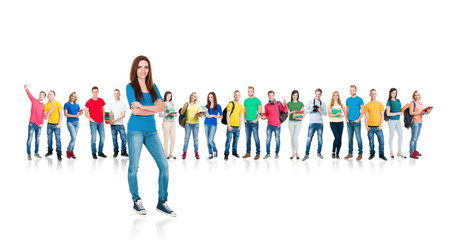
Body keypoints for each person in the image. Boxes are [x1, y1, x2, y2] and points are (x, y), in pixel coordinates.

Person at [126, 55, 176, 216]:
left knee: (164, 166)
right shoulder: (130, 87)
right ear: (135, 69)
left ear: (149, 69)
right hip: (135, 130)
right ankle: (136, 200)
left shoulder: (153, 86)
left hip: (151, 131)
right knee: (134, 168)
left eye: (146, 67)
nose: (143, 70)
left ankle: (162, 202)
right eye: (139, 67)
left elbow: (163, 108)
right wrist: (151, 107)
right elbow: (135, 111)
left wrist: (143, 105)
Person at [302, 88, 327, 161]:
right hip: (311, 123)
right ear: (314, 94)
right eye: (316, 94)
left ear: (321, 95)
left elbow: (325, 114)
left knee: (320, 139)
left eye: (319, 94)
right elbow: (305, 111)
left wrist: (320, 110)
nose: (318, 95)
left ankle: (319, 153)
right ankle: (306, 154)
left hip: (320, 123)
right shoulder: (310, 102)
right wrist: (311, 109)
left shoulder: (323, 103)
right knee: (309, 139)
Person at [262, 90, 288, 159]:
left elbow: (285, 110)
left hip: (277, 125)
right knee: (268, 140)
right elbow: (267, 115)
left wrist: (285, 102)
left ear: (274, 96)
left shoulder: (278, 103)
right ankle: (268, 154)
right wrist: (263, 117)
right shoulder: (266, 106)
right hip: (269, 125)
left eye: (272, 95)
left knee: (277, 140)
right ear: (268, 96)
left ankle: (277, 153)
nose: (271, 97)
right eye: (269, 95)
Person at [364, 89, 387, 160]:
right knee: (371, 142)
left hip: (378, 127)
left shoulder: (380, 104)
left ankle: (381, 154)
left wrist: (381, 125)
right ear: (370, 95)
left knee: (382, 141)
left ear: (376, 94)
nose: (373, 95)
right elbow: (365, 117)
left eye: (374, 94)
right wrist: (366, 127)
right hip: (370, 127)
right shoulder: (367, 105)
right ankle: (372, 153)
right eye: (372, 94)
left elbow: (382, 115)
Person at [24, 84, 46, 160]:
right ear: (39, 95)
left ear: (44, 97)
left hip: (39, 125)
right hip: (32, 123)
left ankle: (36, 153)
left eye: (42, 95)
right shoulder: (34, 100)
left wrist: (42, 123)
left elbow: (43, 115)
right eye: (40, 94)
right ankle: (29, 154)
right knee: (30, 138)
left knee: (38, 139)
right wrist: (26, 89)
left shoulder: (44, 106)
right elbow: (29, 94)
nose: (41, 96)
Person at [85, 86, 107, 159]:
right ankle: (94, 153)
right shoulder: (89, 102)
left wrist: (105, 119)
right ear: (92, 92)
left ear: (98, 92)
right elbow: (86, 113)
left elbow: (104, 110)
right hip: (93, 123)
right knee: (94, 138)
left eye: (96, 91)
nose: (95, 93)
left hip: (101, 122)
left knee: (102, 138)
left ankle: (100, 152)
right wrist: (91, 119)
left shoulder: (101, 100)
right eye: (93, 91)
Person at [409, 90, 431, 159]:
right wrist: (420, 113)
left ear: (419, 96)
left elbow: (422, 113)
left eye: (418, 95)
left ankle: (414, 151)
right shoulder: (412, 103)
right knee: (413, 138)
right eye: (415, 95)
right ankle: (411, 152)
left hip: (420, 122)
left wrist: (427, 112)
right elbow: (411, 113)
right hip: (415, 122)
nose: (417, 96)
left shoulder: (421, 104)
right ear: (413, 96)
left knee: (416, 138)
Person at [344, 85, 365, 160]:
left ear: (356, 91)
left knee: (358, 138)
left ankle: (360, 154)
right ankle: (350, 153)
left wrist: (358, 119)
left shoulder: (359, 99)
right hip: (349, 122)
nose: (351, 91)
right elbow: (346, 110)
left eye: (353, 90)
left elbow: (363, 111)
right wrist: (346, 118)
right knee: (350, 138)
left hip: (356, 122)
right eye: (350, 90)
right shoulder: (348, 100)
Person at [385, 88, 406, 159]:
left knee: (401, 136)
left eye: (395, 93)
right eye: (392, 93)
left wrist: (403, 111)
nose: (394, 94)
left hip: (398, 121)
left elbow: (399, 110)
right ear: (390, 93)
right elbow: (388, 113)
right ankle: (391, 151)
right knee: (391, 136)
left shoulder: (398, 100)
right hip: (392, 121)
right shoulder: (389, 102)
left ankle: (399, 152)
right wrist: (398, 113)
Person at [243, 86, 262, 160]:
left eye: (251, 91)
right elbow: (244, 111)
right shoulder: (246, 100)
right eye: (248, 91)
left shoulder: (257, 100)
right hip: (247, 122)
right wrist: (244, 119)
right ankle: (248, 153)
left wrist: (256, 119)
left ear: (254, 92)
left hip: (254, 123)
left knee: (256, 138)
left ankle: (258, 153)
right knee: (248, 138)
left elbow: (260, 112)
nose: (249, 92)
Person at [224, 90, 244, 160]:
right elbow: (227, 115)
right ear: (233, 96)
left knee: (236, 141)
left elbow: (240, 116)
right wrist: (229, 126)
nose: (237, 96)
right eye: (235, 95)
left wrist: (240, 126)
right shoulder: (231, 104)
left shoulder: (241, 106)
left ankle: (234, 152)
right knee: (228, 141)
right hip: (231, 126)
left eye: (238, 95)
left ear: (240, 96)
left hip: (237, 127)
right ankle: (226, 153)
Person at [44, 90, 63, 161]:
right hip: (49, 125)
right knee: (49, 139)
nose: (49, 95)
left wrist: (59, 124)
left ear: (54, 96)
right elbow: (45, 118)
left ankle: (59, 154)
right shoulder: (46, 105)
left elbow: (61, 114)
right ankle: (50, 151)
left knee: (58, 140)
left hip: (56, 125)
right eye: (48, 94)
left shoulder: (57, 103)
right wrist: (50, 111)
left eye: (50, 94)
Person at [181, 92, 201, 160]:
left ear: (196, 98)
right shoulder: (186, 104)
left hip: (196, 124)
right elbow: (182, 113)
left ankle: (196, 152)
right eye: (192, 95)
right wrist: (185, 107)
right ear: (190, 96)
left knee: (195, 139)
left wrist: (200, 114)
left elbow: (199, 114)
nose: (193, 97)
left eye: (194, 96)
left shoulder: (197, 105)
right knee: (186, 139)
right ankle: (184, 153)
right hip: (188, 124)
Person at [109, 89, 128, 158]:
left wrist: (115, 120)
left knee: (124, 139)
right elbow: (110, 114)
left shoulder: (122, 103)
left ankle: (123, 152)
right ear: (113, 95)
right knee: (114, 139)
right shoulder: (111, 103)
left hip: (120, 124)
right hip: (113, 125)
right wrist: (109, 121)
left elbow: (123, 115)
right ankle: (116, 151)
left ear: (120, 94)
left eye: (117, 93)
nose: (116, 95)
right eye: (115, 93)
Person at [64, 92, 83, 159]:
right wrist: (74, 115)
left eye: (74, 97)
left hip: (77, 123)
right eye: (72, 96)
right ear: (70, 96)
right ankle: (68, 151)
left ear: (75, 98)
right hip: (70, 123)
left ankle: (71, 151)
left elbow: (79, 113)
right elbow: (66, 114)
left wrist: (81, 113)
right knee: (74, 138)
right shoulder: (66, 104)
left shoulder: (77, 105)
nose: (73, 97)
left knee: (74, 139)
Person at [204, 92, 222, 159]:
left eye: (211, 97)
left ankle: (215, 150)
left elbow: (221, 116)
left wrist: (213, 115)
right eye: (209, 97)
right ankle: (210, 153)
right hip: (206, 123)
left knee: (210, 140)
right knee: (207, 140)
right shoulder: (206, 106)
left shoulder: (218, 106)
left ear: (214, 97)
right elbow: (205, 116)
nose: (210, 98)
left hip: (213, 124)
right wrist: (204, 113)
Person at [159, 91, 177, 159]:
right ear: (165, 96)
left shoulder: (172, 103)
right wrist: (168, 113)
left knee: (173, 138)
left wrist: (175, 114)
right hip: (166, 122)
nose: (169, 97)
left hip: (173, 123)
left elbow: (175, 113)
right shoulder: (162, 103)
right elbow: (160, 115)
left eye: (170, 96)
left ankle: (171, 153)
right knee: (166, 138)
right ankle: (166, 153)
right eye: (167, 96)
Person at [287, 90, 305, 160]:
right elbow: (287, 113)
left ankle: (297, 153)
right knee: (292, 137)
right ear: (292, 96)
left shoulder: (301, 103)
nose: (295, 96)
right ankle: (293, 153)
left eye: (296, 95)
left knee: (295, 137)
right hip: (291, 122)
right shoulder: (289, 103)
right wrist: (292, 112)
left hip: (298, 122)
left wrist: (301, 117)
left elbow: (304, 113)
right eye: (294, 95)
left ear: (298, 96)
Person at [328, 91, 345, 159]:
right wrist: (336, 114)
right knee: (337, 137)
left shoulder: (341, 104)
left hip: (340, 123)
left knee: (340, 139)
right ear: (332, 96)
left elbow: (345, 112)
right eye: (334, 95)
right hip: (333, 123)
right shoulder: (330, 105)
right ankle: (333, 152)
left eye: (337, 95)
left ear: (338, 96)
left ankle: (337, 154)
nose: (335, 96)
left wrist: (342, 116)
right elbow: (329, 115)